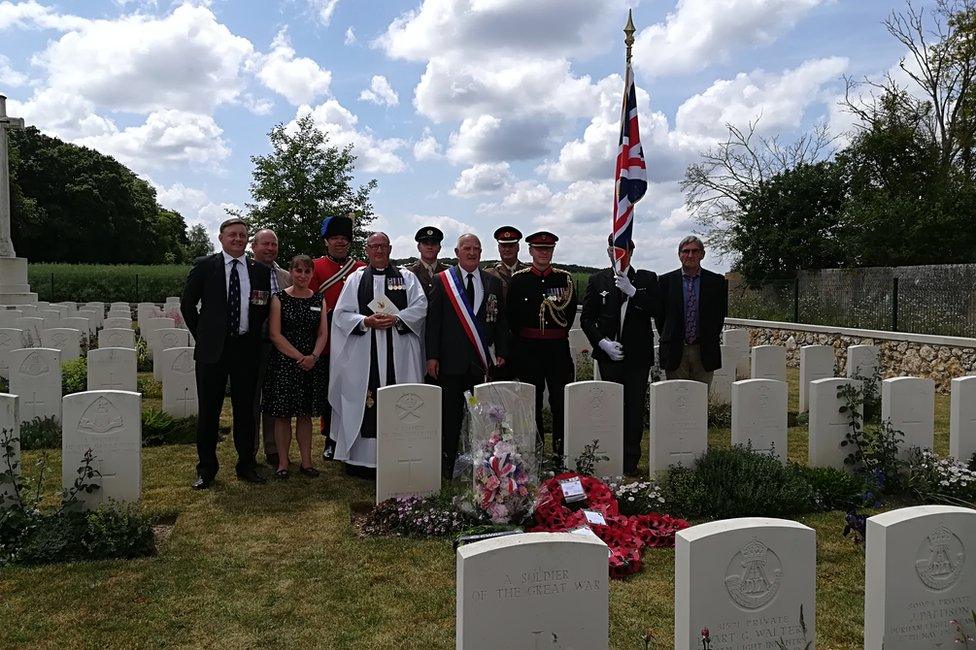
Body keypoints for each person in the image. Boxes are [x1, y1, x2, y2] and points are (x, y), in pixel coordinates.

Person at [180, 217, 272, 489]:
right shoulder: (205, 266)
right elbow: (188, 305)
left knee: (245, 410)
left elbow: (262, 307)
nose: (238, 239)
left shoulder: (258, 271)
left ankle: (246, 465)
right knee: (209, 411)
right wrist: (205, 336)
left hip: (246, 348)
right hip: (212, 351)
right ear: (221, 238)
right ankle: (206, 468)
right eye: (233, 235)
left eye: (243, 236)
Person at [328, 232, 427, 476]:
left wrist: (398, 318)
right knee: (365, 399)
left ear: (390, 248)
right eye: (374, 246)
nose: (379, 251)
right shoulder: (355, 279)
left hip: (400, 353)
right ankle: (363, 460)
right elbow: (341, 314)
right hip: (364, 353)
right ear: (367, 250)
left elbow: (421, 306)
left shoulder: (407, 277)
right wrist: (365, 321)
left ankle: (401, 457)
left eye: (383, 246)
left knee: (401, 399)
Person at [425, 233, 509, 478]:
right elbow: (433, 322)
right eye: (467, 248)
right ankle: (449, 464)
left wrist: (502, 350)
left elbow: (500, 319)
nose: (472, 252)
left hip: (480, 364)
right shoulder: (443, 280)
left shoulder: (491, 282)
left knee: (480, 418)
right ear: (457, 252)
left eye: (476, 248)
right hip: (450, 364)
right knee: (450, 418)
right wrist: (432, 356)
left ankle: (481, 466)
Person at [580, 237, 657, 475]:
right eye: (615, 251)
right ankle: (609, 455)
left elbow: (658, 310)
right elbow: (586, 319)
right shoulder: (597, 280)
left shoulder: (647, 279)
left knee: (634, 409)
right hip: (609, 355)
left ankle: (630, 461)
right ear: (608, 252)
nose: (619, 255)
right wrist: (602, 343)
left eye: (624, 250)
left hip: (637, 357)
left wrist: (634, 293)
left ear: (632, 252)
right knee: (611, 408)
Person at [506, 231, 577, 458]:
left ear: (553, 251)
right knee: (531, 402)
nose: (543, 253)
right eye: (538, 249)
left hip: (557, 349)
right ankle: (534, 451)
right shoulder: (519, 280)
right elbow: (512, 317)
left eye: (547, 249)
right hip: (529, 350)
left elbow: (569, 313)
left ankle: (560, 448)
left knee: (560, 401)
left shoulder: (564, 279)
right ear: (530, 251)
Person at [264, 255, 329, 479]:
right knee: (282, 416)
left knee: (305, 415)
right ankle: (283, 462)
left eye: (307, 271)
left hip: (310, 364)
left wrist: (313, 356)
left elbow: (322, 333)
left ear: (312, 274)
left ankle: (307, 462)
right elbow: (275, 334)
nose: (303, 275)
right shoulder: (279, 298)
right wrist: (300, 357)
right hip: (285, 363)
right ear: (290, 272)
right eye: (298, 270)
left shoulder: (319, 299)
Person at [311, 214, 366, 461]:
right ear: (326, 241)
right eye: (335, 238)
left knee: (355, 389)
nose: (340, 242)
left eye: (344, 238)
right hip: (329, 342)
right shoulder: (315, 267)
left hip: (356, 341)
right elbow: (310, 302)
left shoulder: (361, 268)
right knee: (330, 391)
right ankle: (330, 438)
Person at [656, 235, 728, 386]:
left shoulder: (716, 282)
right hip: (676, 350)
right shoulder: (665, 282)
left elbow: (718, 316)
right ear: (679, 254)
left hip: (704, 351)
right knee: (677, 399)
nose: (690, 255)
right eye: (686, 251)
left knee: (700, 402)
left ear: (702, 254)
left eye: (695, 251)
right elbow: (660, 317)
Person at [250, 228, 292, 468]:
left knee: (275, 400)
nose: (269, 248)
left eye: (273, 244)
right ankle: (250, 448)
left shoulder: (285, 276)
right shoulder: (246, 272)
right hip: (253, 345)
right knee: (252, 399)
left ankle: (273, 448)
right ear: (254, 247)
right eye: (264, 244)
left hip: (280, 345)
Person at [485, 225, 526, 381]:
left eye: (511, 245)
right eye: (503, 245)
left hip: (523, 339)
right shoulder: (488, 274)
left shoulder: (527, 272)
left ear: (518, 247)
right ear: (498, 248)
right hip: (497, 340)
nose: (507, 249)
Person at [404, 226, 449, 297]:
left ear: (439, 248)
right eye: (425, 243)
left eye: (433, 244)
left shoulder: (448, 272)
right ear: (418, 247)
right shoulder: (408, 272)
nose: (429, 247)